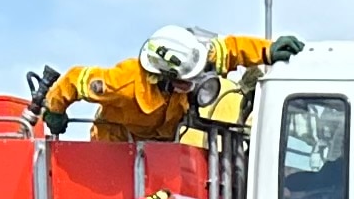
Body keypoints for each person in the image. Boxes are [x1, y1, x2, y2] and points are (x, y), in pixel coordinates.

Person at [32, 26, 296, 144]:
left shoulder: (192, 57)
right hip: (113, 147)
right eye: (186, 82)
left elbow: (230, 49)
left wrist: (267, 51)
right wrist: (55, 110)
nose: (194, 85)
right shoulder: (124, 83)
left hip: (160, 146)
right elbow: (75, 79)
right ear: (162, 78)